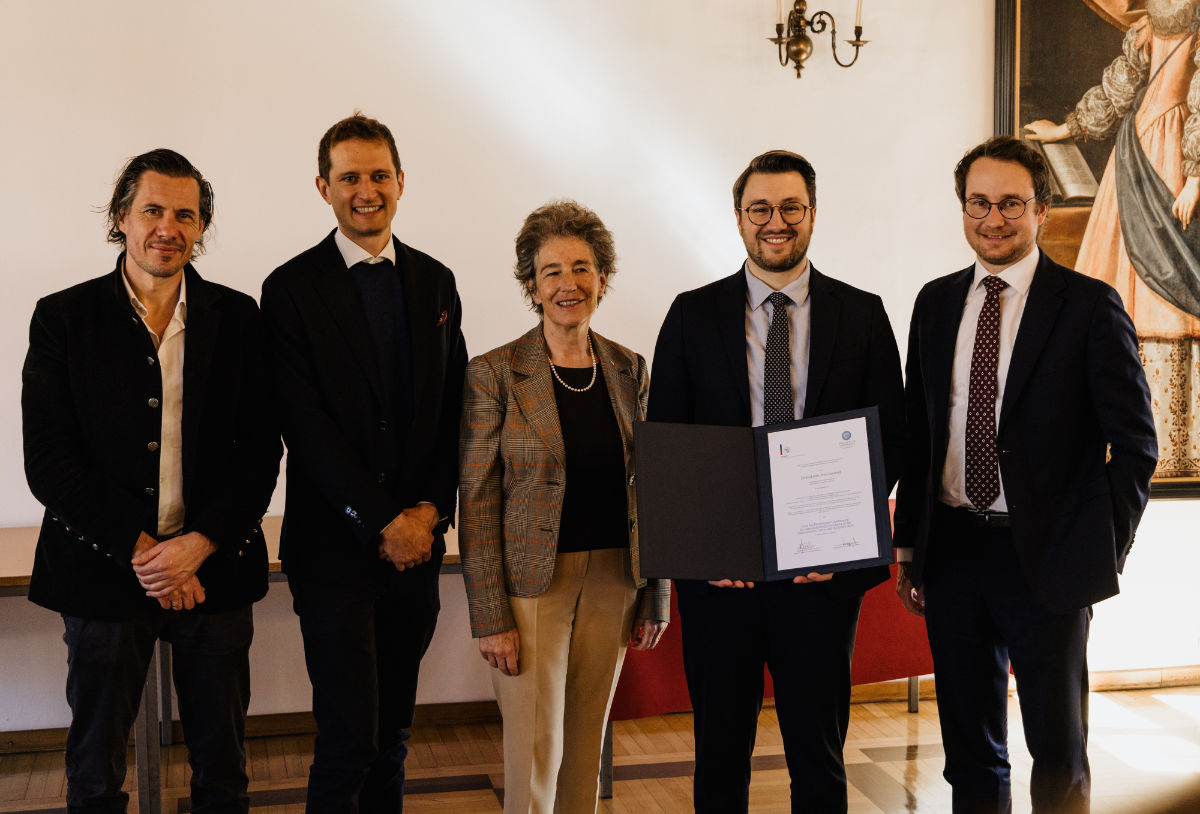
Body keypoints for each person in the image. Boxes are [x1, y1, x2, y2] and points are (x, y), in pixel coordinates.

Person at [892, 135, 1158, 814]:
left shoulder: (1089, 306)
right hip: (953, 553)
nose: (994, 218)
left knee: (1058, 747)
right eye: (978, 203)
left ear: (1041, 210)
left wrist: (1100, 546)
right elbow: (921, 431)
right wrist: (910, 547)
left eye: (1011, 203)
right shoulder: (934, 303)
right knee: (969, 749)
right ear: (962, 209)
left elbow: (1136, 445)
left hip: (1049, 556)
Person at [22, 148, 281, 813]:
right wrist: (148, 555)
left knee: (222, 768)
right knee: (95, 771)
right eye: (153, 210)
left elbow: (259, 452)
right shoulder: (63, 318)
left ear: (202, 227)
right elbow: (49, 460)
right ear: (121, 217)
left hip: (214, 569)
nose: (169, 228)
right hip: (102, 569)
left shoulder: (239, 317)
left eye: (185, 215)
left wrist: (196, 547)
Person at [647, 150, 905, 814]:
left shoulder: (863, 314)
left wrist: (839, 543)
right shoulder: (692, 314)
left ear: (812, 214)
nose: (776, 221)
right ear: (739, 218)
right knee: (719, 758)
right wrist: (708, 552)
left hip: (821, 584)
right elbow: (668, 444)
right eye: (760, 208)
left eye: (791, 207)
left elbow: (893, 440)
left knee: (818, 760)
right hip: (721, 584)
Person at [260, 113, 467, 813]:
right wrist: (382, 521)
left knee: (393, 737)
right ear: (324, 187)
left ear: (401, 182)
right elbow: (303, 425)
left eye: (379, 175)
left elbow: (452, 410)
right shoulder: (290, 288)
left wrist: (430, 512)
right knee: (348, 739)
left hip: (418, 549)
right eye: (350, 177)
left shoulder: (436, 282)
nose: (366, 190)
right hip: (333, 551)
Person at [458, 200, 670, 813]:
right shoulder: (495, 373)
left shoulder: (629, 368)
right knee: (534, 752)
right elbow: (477, 500)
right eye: (551, 271)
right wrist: (490, 615)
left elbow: (650, 486)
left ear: (603, 277)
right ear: (531, 285)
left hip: (615, 579)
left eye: (582, 268)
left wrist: (655, 592)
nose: (568, 284)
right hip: (530, 588)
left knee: (584, 746)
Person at [1025, 0, 1200, 478]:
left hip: (1174, 156)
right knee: (1117, 282)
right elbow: (1118, 87)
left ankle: (1172, 443)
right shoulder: (1148, 27)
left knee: (1168, 288)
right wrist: (1066, 129)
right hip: (1135, 150)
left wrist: (1194, 177)